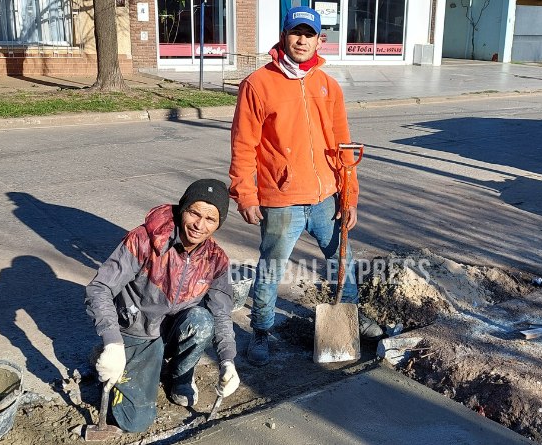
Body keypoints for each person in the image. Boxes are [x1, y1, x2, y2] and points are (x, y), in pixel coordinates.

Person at [229, 6, 383, 367]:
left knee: (342, 260)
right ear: (284, 35)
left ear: (319, 39)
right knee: (271, 268)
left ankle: (350, 318)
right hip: (281, 200)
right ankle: (262, 330)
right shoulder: (258, 84)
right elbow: (243, 144)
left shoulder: (327, 86)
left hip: (326, 198)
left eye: (309, 34)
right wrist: (245, 194)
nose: (302, 40)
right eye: (296, 32)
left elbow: (344, 145)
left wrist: (350, 196)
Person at [85, 179, 240, 433]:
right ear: (182, 210)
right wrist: (112, 342)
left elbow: (222, 314)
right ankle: (105, 356)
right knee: (134, 421)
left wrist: (228, 361)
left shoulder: (215, 259)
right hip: (138, 331)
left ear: (218, 224)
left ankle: (178, 378)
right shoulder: (145, 239)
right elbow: (99, 288)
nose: (200, 225)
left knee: (203, 321)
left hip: (170, 330)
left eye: (211, 219)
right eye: (194, 213)